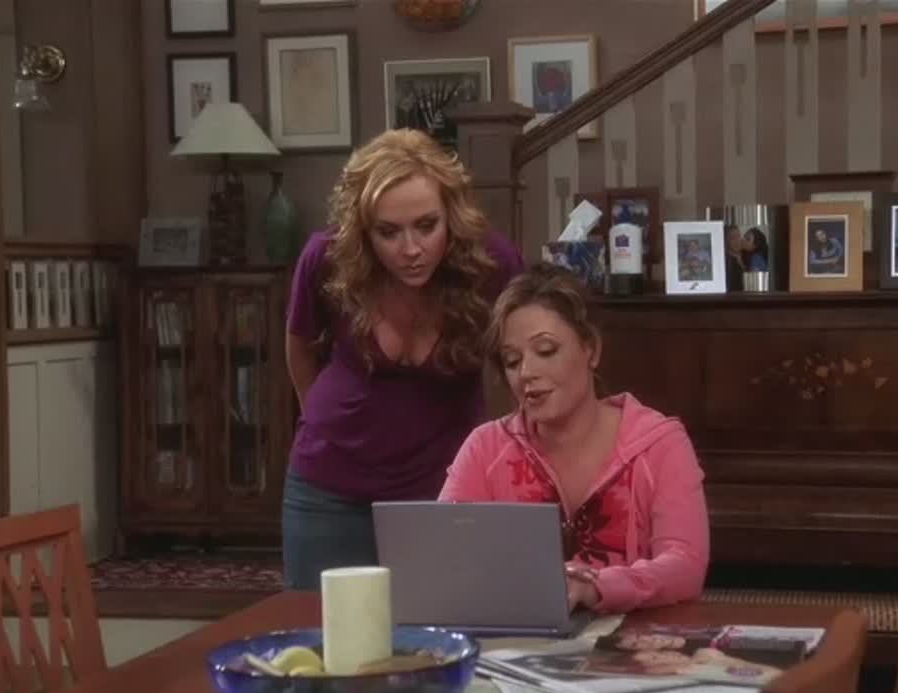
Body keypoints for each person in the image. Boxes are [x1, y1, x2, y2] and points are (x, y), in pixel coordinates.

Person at [283, 128, 525, 590]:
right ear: (363, 229)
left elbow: (522, 360)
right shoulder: (327, 257)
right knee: (325, 629)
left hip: (445, 487)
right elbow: (299, 345)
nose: (411, 249)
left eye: (427, 226)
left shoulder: (492, 263)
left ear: (451, 214)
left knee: (444, 624)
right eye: (388, 232)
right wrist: (317, 420)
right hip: (328, 487)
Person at [438, 264, 710, 614]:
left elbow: (685, 565)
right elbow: (441, 561)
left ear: (591, 349)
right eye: (512, 361)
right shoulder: (485, 448)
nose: (527, 373)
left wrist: (597, 587)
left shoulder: (661, 444)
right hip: (519, 637)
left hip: (634, 638)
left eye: (546, 351)